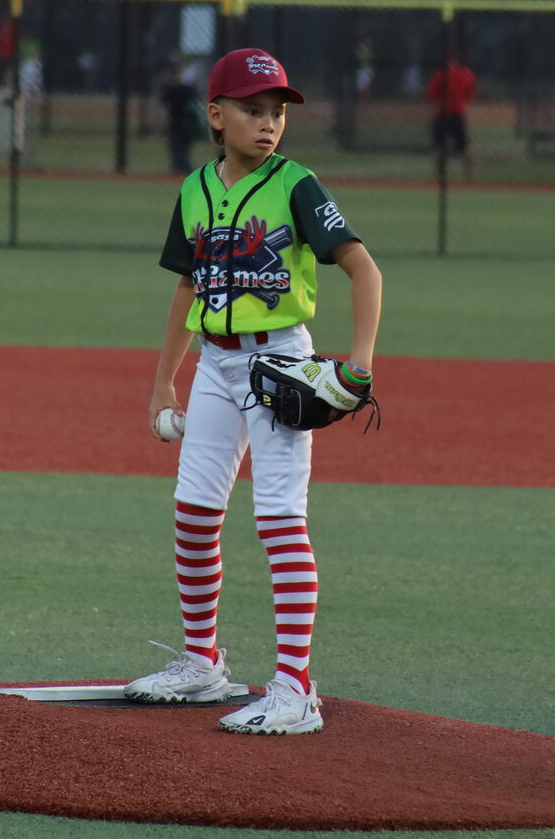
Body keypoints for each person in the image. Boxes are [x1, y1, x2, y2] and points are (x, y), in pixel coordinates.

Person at [122, 47, 383, 735]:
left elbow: (363, 269)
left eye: (276, 112)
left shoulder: (296, 185)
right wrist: (162, 383)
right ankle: (203, 663)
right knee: (193, 512)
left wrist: (357, 364)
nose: (267, 123)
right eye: (252, 110)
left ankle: (295, 688)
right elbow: (187, 285)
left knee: (276, 518)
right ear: (215, 115)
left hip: (278, 368)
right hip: (214, 364)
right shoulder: (193, 192)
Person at [426, 53, 477, 181]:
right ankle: (469, 177)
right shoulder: (466, 74)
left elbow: (431, 95)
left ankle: (439, 176)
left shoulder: (440, 74)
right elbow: (470, 94)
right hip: (458, 113)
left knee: (438, 147)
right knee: (464, 146)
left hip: (442, 114)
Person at [160, 56, 203, 174]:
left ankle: (181, 168)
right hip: (183, 123)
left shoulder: (181, 88)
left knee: (179, 148)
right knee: (179, 148)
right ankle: (181, 168)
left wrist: (162, 123)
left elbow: (165, 108)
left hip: (183, 122)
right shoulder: (185, 89)